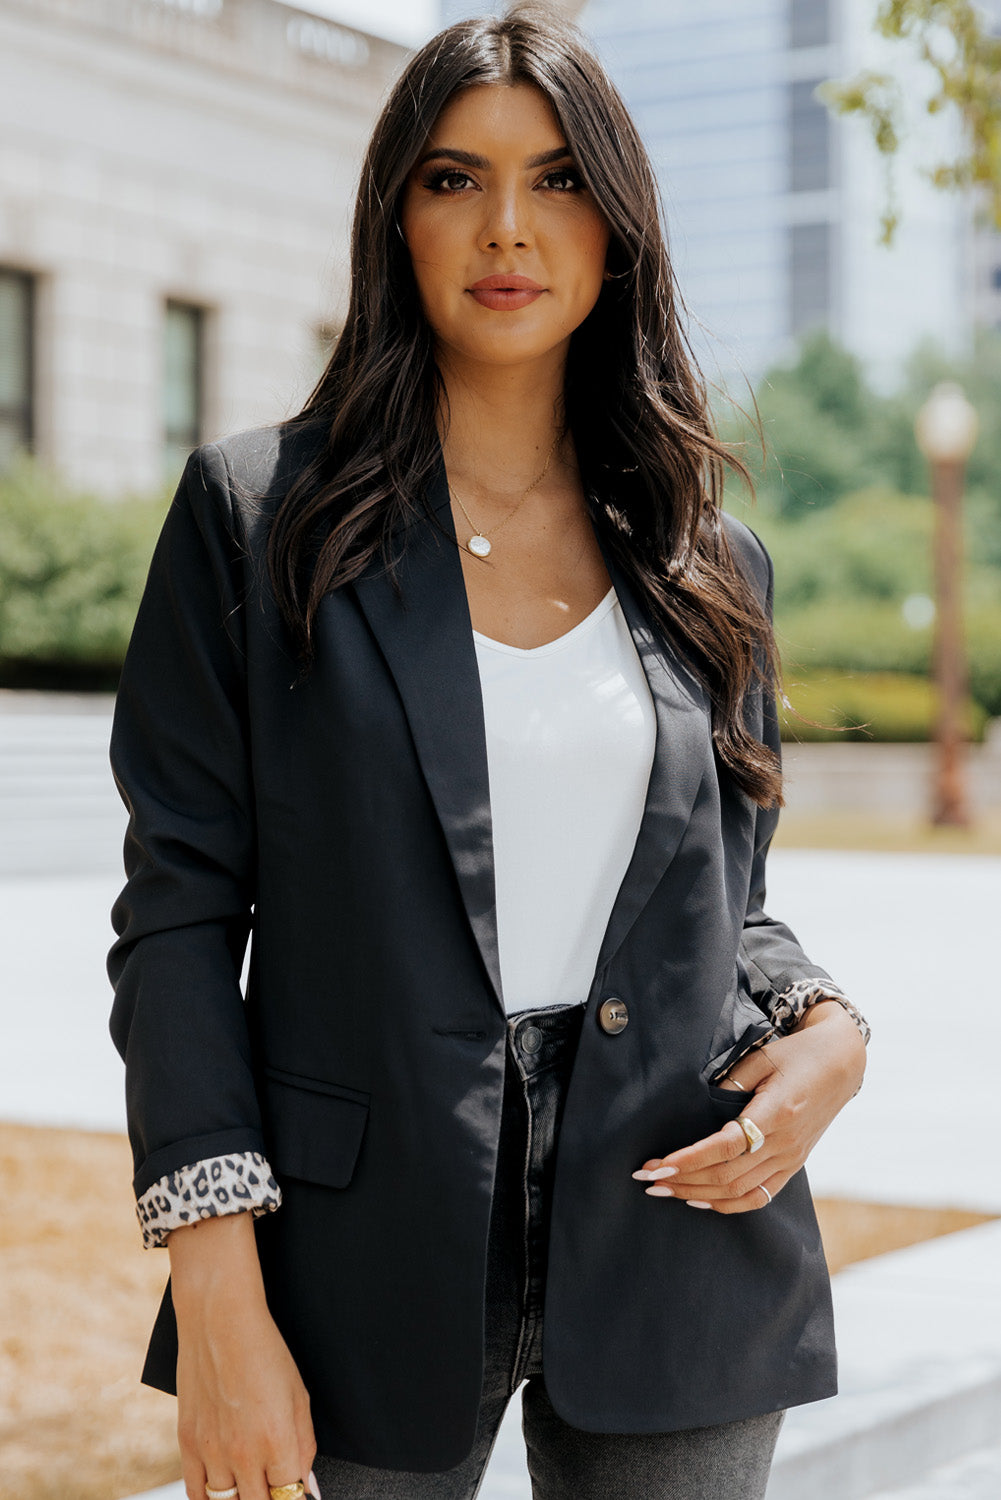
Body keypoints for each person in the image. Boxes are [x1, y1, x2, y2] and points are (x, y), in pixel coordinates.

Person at [107, 7, 870, 1499]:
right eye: (455, 179)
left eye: (557, 179)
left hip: (680, 1242)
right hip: (351, 1267)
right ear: (396, 215)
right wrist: (216, 1288)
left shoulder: (711, 562)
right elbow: (180, 917)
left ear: (618, 228)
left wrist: (828, 1030)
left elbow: (729, 909)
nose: (506, 227)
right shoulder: (257, 519)